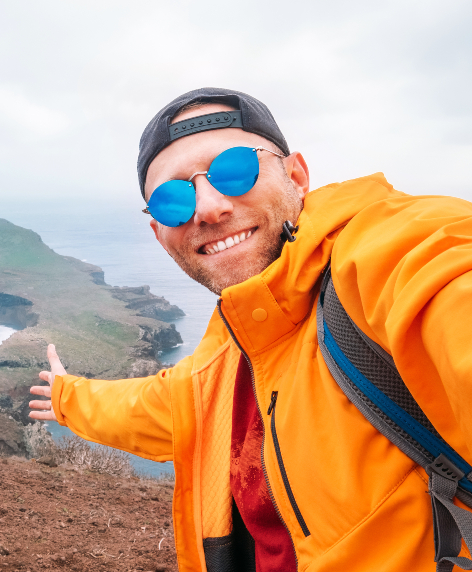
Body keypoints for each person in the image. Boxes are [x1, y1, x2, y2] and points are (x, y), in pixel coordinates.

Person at [28, 88, 472, 572]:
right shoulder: (228, 353)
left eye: (234, 170)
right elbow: (152, 407)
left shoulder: (394, 255)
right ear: (158, 232)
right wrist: (65, 398)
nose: (209, 208)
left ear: (297, 176)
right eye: (172, 200)